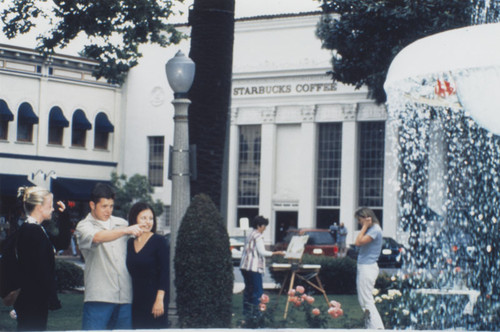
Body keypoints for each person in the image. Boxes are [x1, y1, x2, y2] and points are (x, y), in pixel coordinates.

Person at [75, 183, 144, 330]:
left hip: (125, 296)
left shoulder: (122, 223)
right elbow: (98, 237)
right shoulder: (83, 226)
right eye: (104, 206)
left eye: (111, 206)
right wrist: (125, 231)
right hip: (99, 297)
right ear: (92, 205)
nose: (108, 210)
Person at [14, 186, 70, 331]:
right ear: (39, 207)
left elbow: (61, 243)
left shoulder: (36, 229)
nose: (52, 209)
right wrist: (52, 298)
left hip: (33, 302)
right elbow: (40, 271)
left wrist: (64, 217)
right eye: (50, 205)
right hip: (32, 303)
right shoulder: (32, 232)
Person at [126, 202, 169, 329]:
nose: (148, 222)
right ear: (135, 219)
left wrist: (159, 300)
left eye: (151, 218)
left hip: (156, 301)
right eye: (143, 218)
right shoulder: (129, 243)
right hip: (137, 299)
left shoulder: (159, 241)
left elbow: (165, 273)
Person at [239, 216, 284, 321]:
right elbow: (262, 252)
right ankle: (256, 313)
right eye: (264, 226)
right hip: (254, 267)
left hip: (245, 266)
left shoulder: (250, 234)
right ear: (259, 226)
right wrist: (276, 253)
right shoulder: (258, 236)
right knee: (257, 291)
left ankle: (247, 312)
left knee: (248, 290)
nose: (265, 229)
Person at [354, 207, 384, 329]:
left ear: (366, 218)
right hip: (364, 266)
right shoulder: (372, 229)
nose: (359, 223)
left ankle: (377, 328)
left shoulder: (374, 230)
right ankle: (371, 327)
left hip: (368, 267)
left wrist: (365, 226)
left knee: (367, 301)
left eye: (360, 220)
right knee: (364, 301)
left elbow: (358, 242)